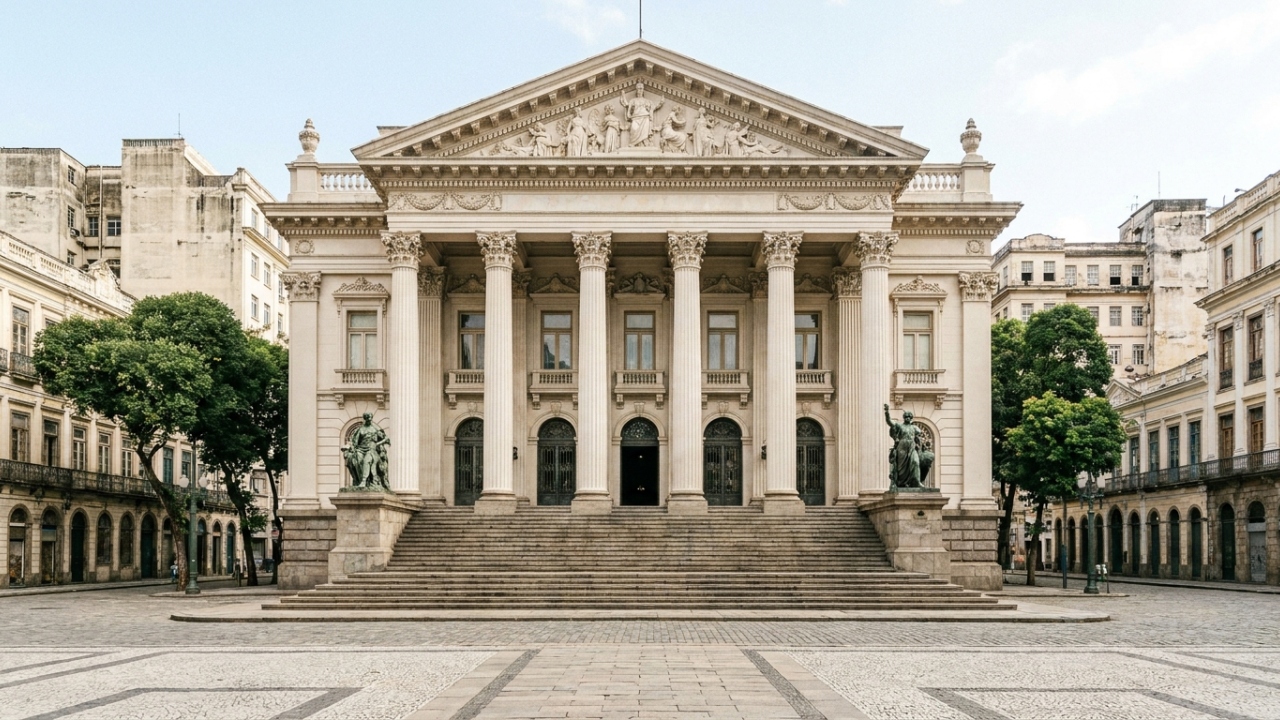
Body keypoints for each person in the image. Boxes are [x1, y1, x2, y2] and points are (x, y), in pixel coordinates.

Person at [343, 413, 391, 489]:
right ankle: (358, 480)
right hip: (361, 449)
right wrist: (352, 448)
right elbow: (355, 442)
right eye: (368, 419)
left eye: (370, 419)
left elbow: (386, 439)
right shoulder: (360, 429)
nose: (369, 421)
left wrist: (378, 443)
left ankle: (364, 481)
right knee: (357, 459)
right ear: (365, 419)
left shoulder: (375, 429)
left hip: (372, 450)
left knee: (367, 460)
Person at [884, 404, 923, 488]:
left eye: (909, 417)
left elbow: (919, 436)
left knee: (915, 462)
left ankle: (916, 482)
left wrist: (918, 444)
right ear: (904, 418)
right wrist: (887, 413)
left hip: (911, 447)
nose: (907, 418)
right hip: (902, 447)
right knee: (901, 468)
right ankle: (901, 483)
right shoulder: (899, 426)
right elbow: (889, 422)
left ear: (911, 418)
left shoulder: (915, 428)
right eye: (906, 417)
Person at [618, 82, 664, 147]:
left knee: (645, 134)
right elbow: (626, 105)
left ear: (643, 90)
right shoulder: (633, 100)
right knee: (634, 130)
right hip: (635, 118)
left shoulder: (647, 101)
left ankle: (645, 144)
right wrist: (623, 95)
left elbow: (655, 106)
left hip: (645, 118)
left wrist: (661, 102)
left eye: (641, 89)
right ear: (636, 90)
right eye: (638, 89)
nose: (640, 90)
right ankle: (634, 143)